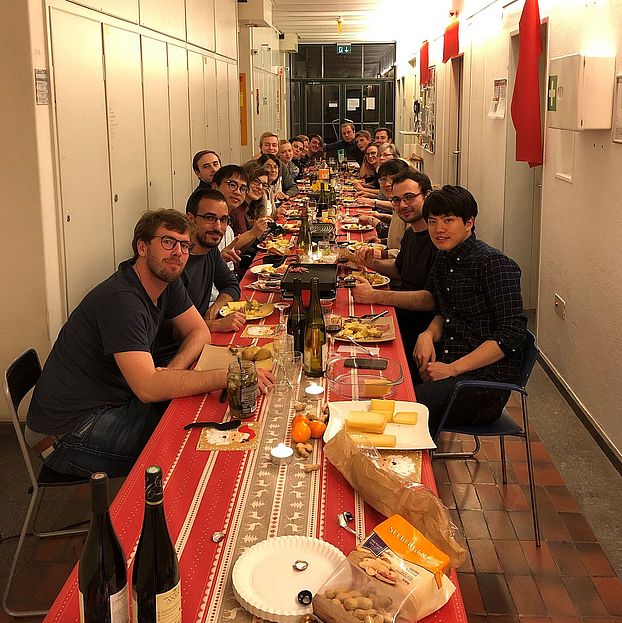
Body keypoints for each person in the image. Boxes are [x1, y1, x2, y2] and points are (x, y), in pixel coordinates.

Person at [26, 209, 274, 477]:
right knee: (189, 444)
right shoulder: (122, 300)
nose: (178, 252)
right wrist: (228, 376)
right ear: (142, 247)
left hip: (115, 402)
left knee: (203, 417)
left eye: (185, 245)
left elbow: (199, 331)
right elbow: (147, 387)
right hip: (68, 432)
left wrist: (174, 369)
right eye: (168, 242)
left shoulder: (166, 280)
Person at [413, 186, 527, 435]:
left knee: (404, 408)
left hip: (484, 386)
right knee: (389, 377)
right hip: (451, 365)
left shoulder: (493, 263)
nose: (439, 229)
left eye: (448, 220)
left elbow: (511, 334)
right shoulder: (444, 257)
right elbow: (445, 311)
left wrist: (451, 369)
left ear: (469, 223)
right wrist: (428, 335)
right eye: (432, 221)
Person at [352, 170, 437, 380]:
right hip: (400, 317)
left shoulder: (438, 240)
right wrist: (371, 263)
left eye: (409, 197)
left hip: (419, 330)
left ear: (427, 195)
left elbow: (429, 300)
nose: (403, 205)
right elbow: (399, 270)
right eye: (396, 200)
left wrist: (375, 296)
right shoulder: (411, 233)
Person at [248, 132, 298, 197]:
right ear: (261, 147)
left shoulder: (281, 165)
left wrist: (286, 195)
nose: (271, 148)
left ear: (278, 148)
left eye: (274, 145)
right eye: (267, 145)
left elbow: (292, 186)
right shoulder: (251, 166)